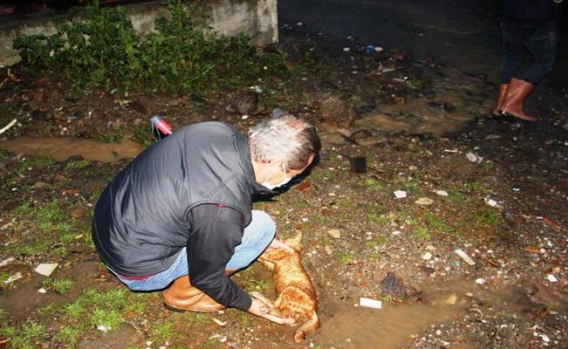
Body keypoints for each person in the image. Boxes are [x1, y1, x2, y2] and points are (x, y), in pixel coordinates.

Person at [91, 114, 321, 324]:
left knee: (241, 227)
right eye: (294, 174)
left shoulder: (215, 130)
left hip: (109, 221)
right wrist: (251, 305)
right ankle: (183, 296)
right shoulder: (222, 208)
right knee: (261, 228)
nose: (291, 180)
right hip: (136, 267)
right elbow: (206, 277)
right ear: (273, 164)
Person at [492, 0, 563, 122]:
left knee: (512, 56)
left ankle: (500, 106)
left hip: (508, 10)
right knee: (545, 60)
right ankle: (511, 104)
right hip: (537, 14)